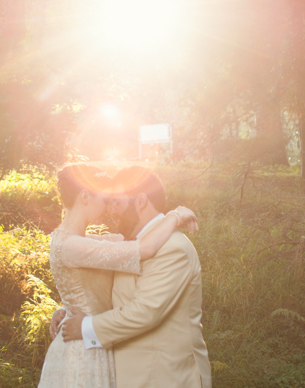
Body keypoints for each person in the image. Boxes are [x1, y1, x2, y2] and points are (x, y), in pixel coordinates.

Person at [37, 164, 197, 388]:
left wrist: (79, 318)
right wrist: (69, 308)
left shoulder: (172, 247)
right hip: (90, 355)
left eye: (115, 202)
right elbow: (142, 250)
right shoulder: (80, 244)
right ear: (84, 196)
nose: (110, 209)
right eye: (106, 199)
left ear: (140, 201)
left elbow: (145, 312)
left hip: (154, 375)